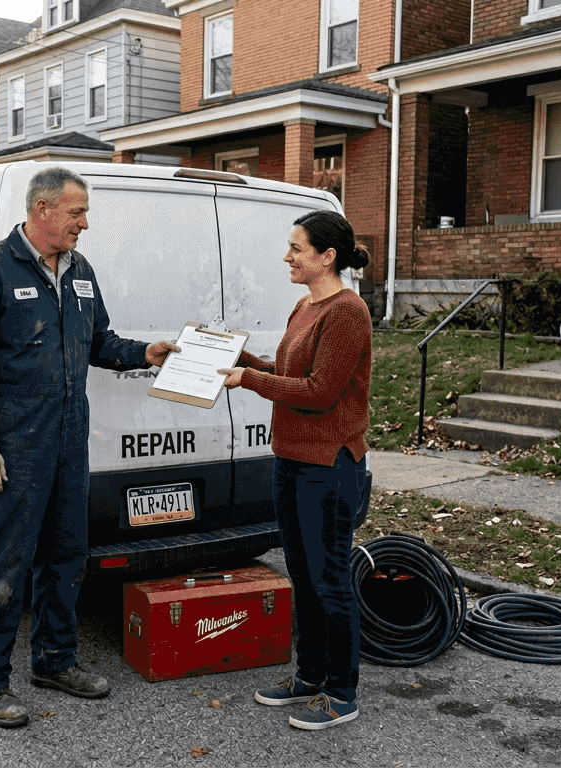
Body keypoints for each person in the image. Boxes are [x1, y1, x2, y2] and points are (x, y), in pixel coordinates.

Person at [0, 166, 178, 728]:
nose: (84, 223)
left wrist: (142, 352)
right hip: (15, 448)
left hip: (69, 444)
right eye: (77, 212)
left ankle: (55, 661)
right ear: (43, 209)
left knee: (65, 558)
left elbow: (98, 340)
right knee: (4, 564)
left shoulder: (80, 272)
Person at [217, 210, 372, 731]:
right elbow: (289, 376)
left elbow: (320, 392)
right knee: (302, 575)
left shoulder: (347, 313)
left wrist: (250, 381)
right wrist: (246, 362)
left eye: (297, 248)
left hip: (328, 465)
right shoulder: (304, 306)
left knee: (330, 579)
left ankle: (342, 693)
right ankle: (308, 676)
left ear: (327, 257)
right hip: (290, 458)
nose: (287, 256)